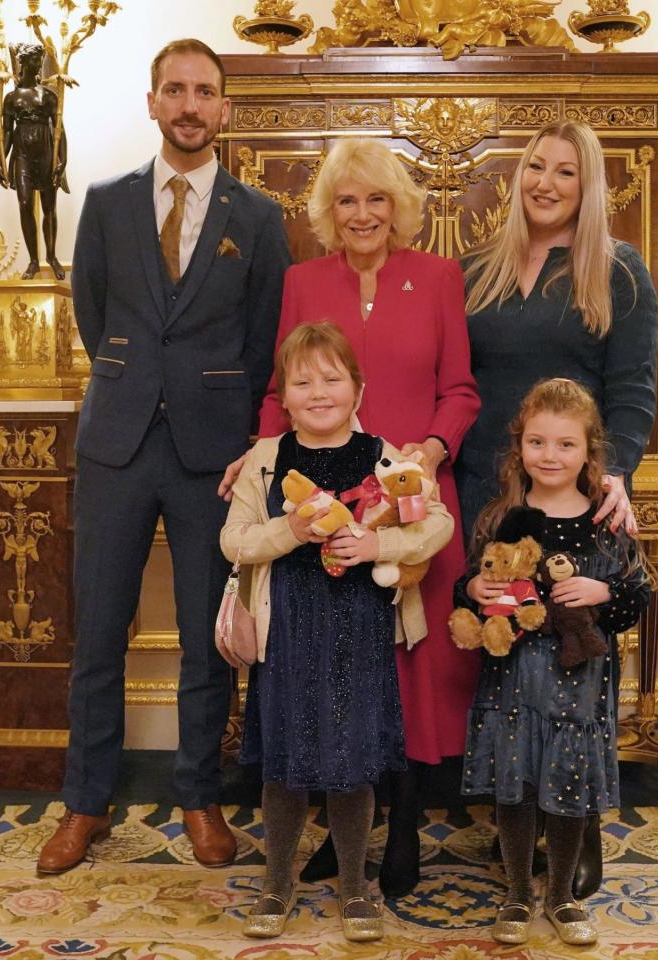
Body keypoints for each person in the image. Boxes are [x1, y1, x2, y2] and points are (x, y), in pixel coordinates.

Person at [36, 38, 290, 875]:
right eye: (174, 90)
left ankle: (198, 800)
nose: (189, 105)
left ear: (223, 109)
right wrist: (134, 380)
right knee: (98, 634)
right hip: (114, 442)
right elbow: (92, 312)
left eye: (204, 92)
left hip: (210, 455)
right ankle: (84, 806)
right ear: (152, 103)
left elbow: (263, 344)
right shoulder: (106, 204)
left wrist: (231, 425)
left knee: (203, 638)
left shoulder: (256, 219)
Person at [221, 137, 480, 897]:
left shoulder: (438, 277)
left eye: (376, 199)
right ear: (328, 212)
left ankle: (402, 831)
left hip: (410, 497)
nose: (362, 213)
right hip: (318, 495)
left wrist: (426, 456)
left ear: (399, 207)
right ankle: (342, 839)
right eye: (346, 200)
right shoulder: (304, 280)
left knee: (410, 666)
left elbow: (460, 389)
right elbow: (281, 390)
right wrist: (257, 454)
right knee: (332, 663)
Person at [455, 119, 658, 898]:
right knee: (509, 666)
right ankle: (515, 826)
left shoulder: (619, 271)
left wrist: (618, 477)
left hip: (573, 498)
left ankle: (576, 835)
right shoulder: (480, 270)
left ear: (588, 185)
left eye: (564, 173)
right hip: (490, 493)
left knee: (573, 669)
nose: (545, 182)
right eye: (534, 167)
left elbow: (634, 388)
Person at [220, 322, 454, 941]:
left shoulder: (386, 458)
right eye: (302, 381)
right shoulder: (266, 461)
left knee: (352, 763)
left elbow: (436, 522)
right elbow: (234, 540)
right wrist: (289, 533)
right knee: (285, 764)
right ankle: (276, 882)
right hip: (287, 631)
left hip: (358, 626)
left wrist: (379, 540)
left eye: (332, 378)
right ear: (284, 396)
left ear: (358, 388)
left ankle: (356, 886)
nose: (318, 392)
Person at [459, 377, 650, 947]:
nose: (550, 455)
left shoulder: (606, 519)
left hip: (578, 687)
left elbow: (637, 594)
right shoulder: (501, 516)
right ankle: (518, 892)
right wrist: (475, 592)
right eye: (537, 442)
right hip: (513, 685)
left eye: (566, 444)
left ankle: (562, 895)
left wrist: (601, 593)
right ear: (519, 446)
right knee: (514, 791)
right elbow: (467, 583)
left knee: (567, 792)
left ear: (589, 452)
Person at [0, 42, 67, 280]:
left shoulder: (47, 96)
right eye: (34, 62)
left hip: (46, 153)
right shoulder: (11, 98)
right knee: (25, 204)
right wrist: (0, 158)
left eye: (40, 61)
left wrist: (62, 160)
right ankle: (33, 260)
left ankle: (52, 256)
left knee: (49, 207)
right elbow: (6, 132)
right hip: (23, 156)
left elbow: (59, 129)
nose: (38, 66)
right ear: (24, 64)